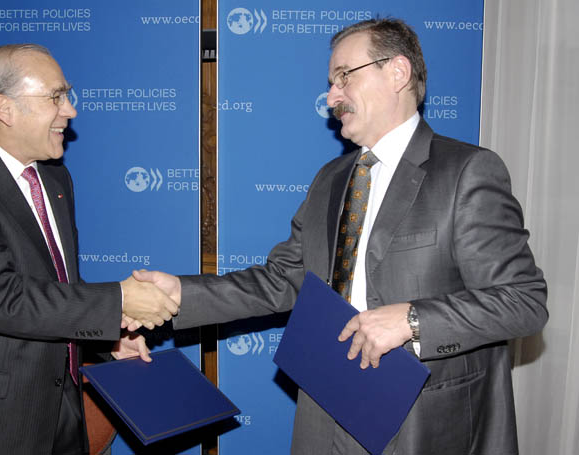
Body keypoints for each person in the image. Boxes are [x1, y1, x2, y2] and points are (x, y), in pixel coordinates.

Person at [133, 18, 548, 454]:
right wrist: (180, 293)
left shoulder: (467, 172)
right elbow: (283, 280)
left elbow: (524, 301)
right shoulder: (330, 179)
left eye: (344, 77)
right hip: (324, 408)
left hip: (423, 422)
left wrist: (412, 319)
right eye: (332, 83)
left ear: (397, 72)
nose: (332, 97)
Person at [0, 44, 178, 455]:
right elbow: (4, 300)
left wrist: (107, 339)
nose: (70, 110)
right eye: (56, 97)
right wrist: (120, 300)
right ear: (5, 109)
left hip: (61, 414)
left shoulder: (54, 178)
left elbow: (57, 286)